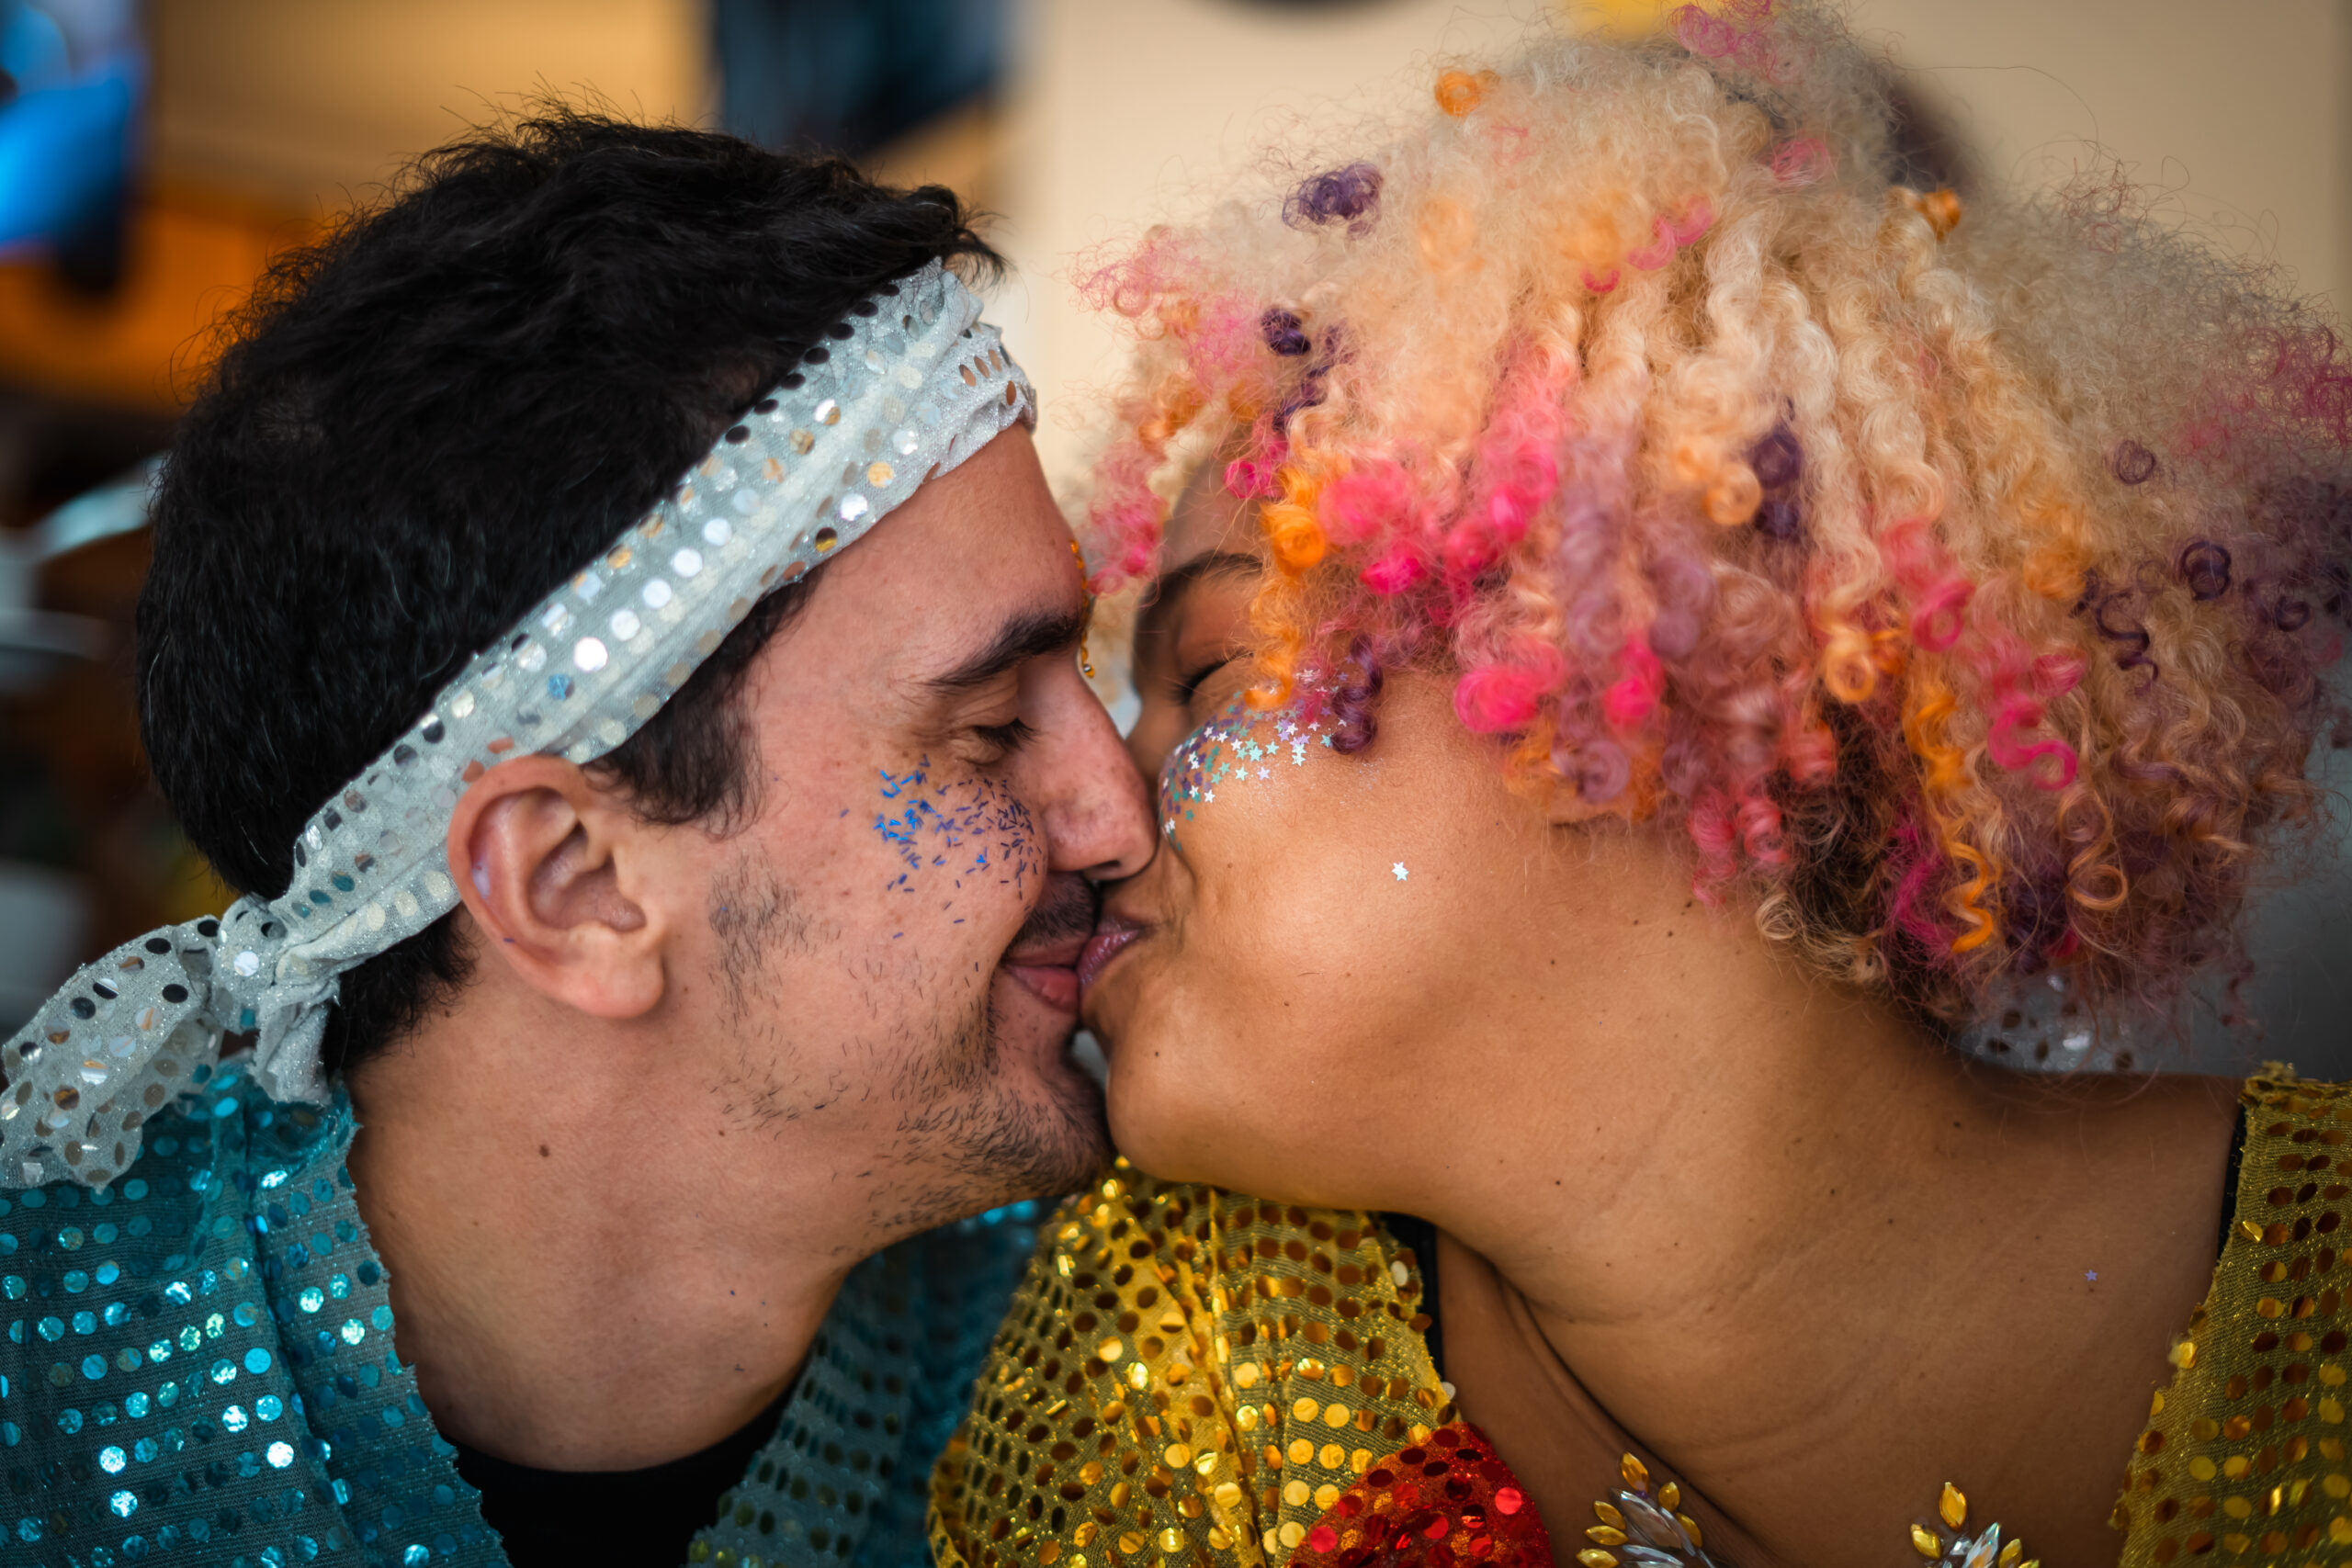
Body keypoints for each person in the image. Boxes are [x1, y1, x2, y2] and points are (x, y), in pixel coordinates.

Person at [928, 6, 2352, 1565]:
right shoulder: (1169, 1351)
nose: (1095, 817)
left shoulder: (2323, 1301)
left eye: (1203, 675)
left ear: (1640, 674)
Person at [1, 112, 1154, 1567]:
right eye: (991, 726)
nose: (1122, 818)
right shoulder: (38, 1422)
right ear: (574, 883)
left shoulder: (1146, 1368)